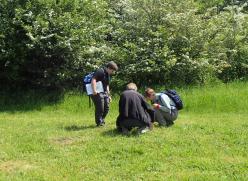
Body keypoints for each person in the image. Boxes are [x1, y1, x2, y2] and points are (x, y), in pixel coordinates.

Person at [91, 61, 118, 126]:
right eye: (112, 71)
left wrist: (109, 96)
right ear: (108, 68)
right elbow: (93, 80)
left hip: (104, 92)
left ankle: (101, 120)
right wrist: (94, 90)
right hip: (97, 92)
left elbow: (107, 85)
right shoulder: (100, 71)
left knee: (106, 108)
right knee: (100, 108)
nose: (113, 73)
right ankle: (99, 123)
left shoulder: (108, 74)